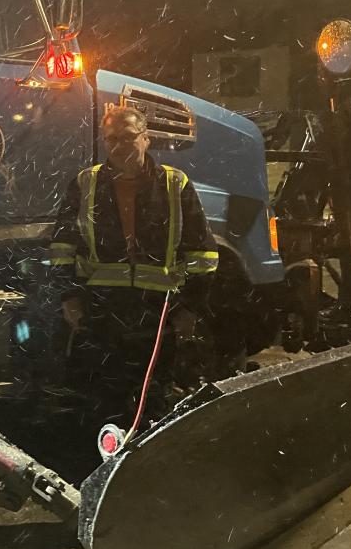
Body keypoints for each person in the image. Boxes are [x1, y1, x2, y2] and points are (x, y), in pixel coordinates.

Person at [46, 105, 220, 427]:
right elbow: (62, 248)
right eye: (112, 139)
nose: (120, 146)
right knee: (104, 400)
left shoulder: (175, 185)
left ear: (146, 139)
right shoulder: (85, 184)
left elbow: (203, 254)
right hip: (104, 312)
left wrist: (191, 309)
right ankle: (107, 464)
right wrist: (68, 298)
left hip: (157, 314)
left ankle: (148, 466)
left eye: (128, 137)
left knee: (155, 401)